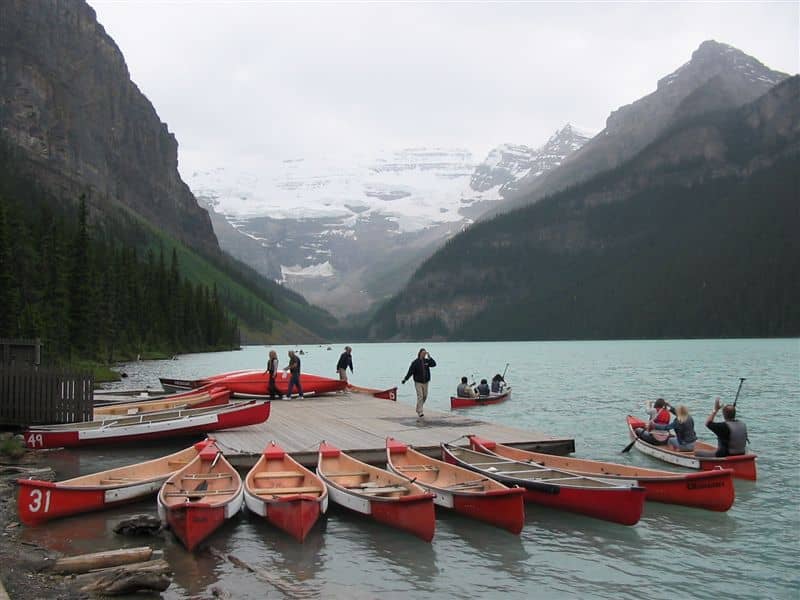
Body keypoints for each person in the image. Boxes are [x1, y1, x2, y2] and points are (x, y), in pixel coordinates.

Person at [402, 348, 436, 418]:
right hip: (418, 382)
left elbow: (434, 364)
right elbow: (410, 372)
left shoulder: (427, 361)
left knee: (425, 396)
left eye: (425, 353)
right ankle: (420, 411)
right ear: (419, 353)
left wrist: (429, 357)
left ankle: (418, 408)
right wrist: (405, 379)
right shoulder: (415, 362)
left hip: (426, 382)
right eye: (423, 353)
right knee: (420, 396)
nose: (424, 354)